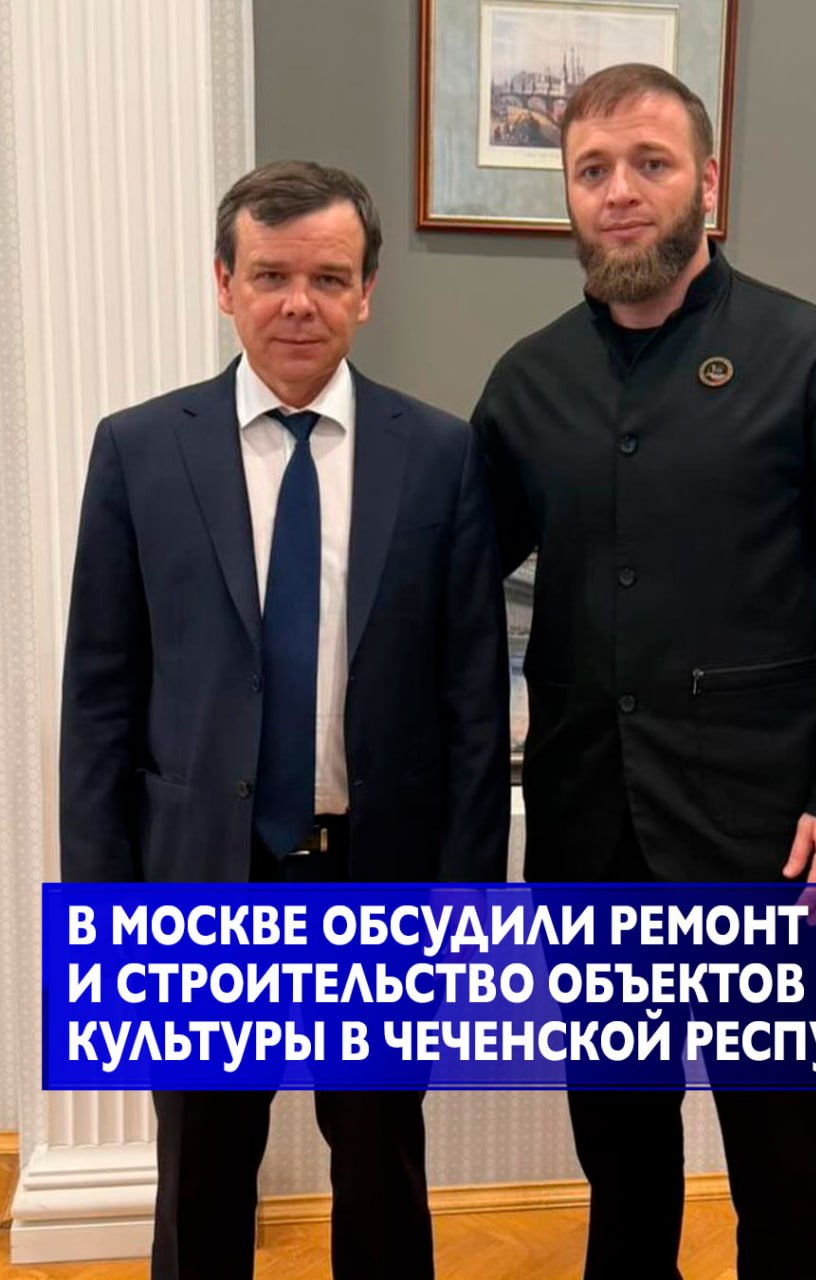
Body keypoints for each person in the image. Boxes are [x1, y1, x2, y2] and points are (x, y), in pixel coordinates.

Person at [472, 64, 816, 1280]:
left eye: (650, 163)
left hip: (771, 846)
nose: (619, 191)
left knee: (783, 1159)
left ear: (708, 183)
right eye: (592, 170)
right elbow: (453, 587)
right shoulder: (526, 383)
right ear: (568, 197)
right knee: (619, 1153)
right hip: (588, 842)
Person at [60, 160, 510, 1280]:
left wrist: (469, 902)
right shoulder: (139, 450)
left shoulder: (440, 454)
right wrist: (101, 910)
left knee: (381, 1169)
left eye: (327, 277)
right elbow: (100, 698)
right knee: (202, 1174)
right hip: (201, 879)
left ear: (367, 292)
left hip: (380, 877)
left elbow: (471, 701)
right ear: (224, 283)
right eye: (270, 275)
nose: (298, 304)